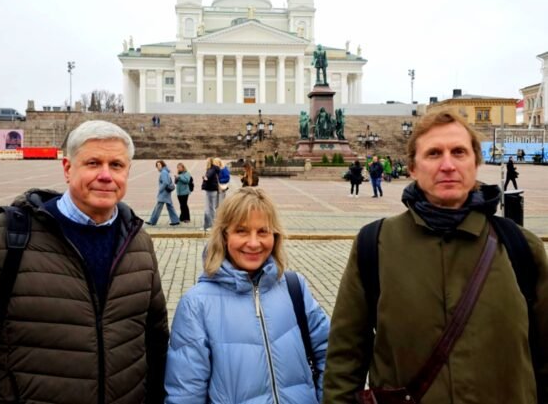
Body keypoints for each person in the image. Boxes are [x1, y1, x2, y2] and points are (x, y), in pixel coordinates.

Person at [323, 110, 548, 403]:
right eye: (433, 153)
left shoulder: (520, 247)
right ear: (413, 168)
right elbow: (345, 359)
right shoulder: (375, 245)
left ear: (476, 162)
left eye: (459, 152)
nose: (448, 165)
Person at [0, 120, 168, 403]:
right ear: (67, 168)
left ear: (127, 172)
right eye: (93, 163)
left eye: (116, 165)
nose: (105, 175)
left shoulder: (139, 242)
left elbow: (156, 339)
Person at [165, 187, 330, 403]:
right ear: (224, 236)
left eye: (263, 231)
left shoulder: (294, 288)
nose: (253, 243)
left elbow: (331, 354)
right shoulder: (196, 304)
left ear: (275, 235)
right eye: (241, 231)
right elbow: (186, 393)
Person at [145, 159, 180, 226]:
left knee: (158, 207)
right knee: (170, 206)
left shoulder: (163, 172)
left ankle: (152, 221)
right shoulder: (165, 171)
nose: (158, 167)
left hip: (164, 193)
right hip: (166, 192)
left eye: (159, 165)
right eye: (157, 165)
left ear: (162, 165)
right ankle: (175, 220)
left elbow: (165, 182)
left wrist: (160, 190)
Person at [201, 157, 220, 231]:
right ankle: (207, 226)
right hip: (212, 190)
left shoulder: (211, 169)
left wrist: (205, 177)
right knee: (210, 209)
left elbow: (208, 177)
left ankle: (211, 226)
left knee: (209, 209)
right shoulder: (213, 169)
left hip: (210, 190)